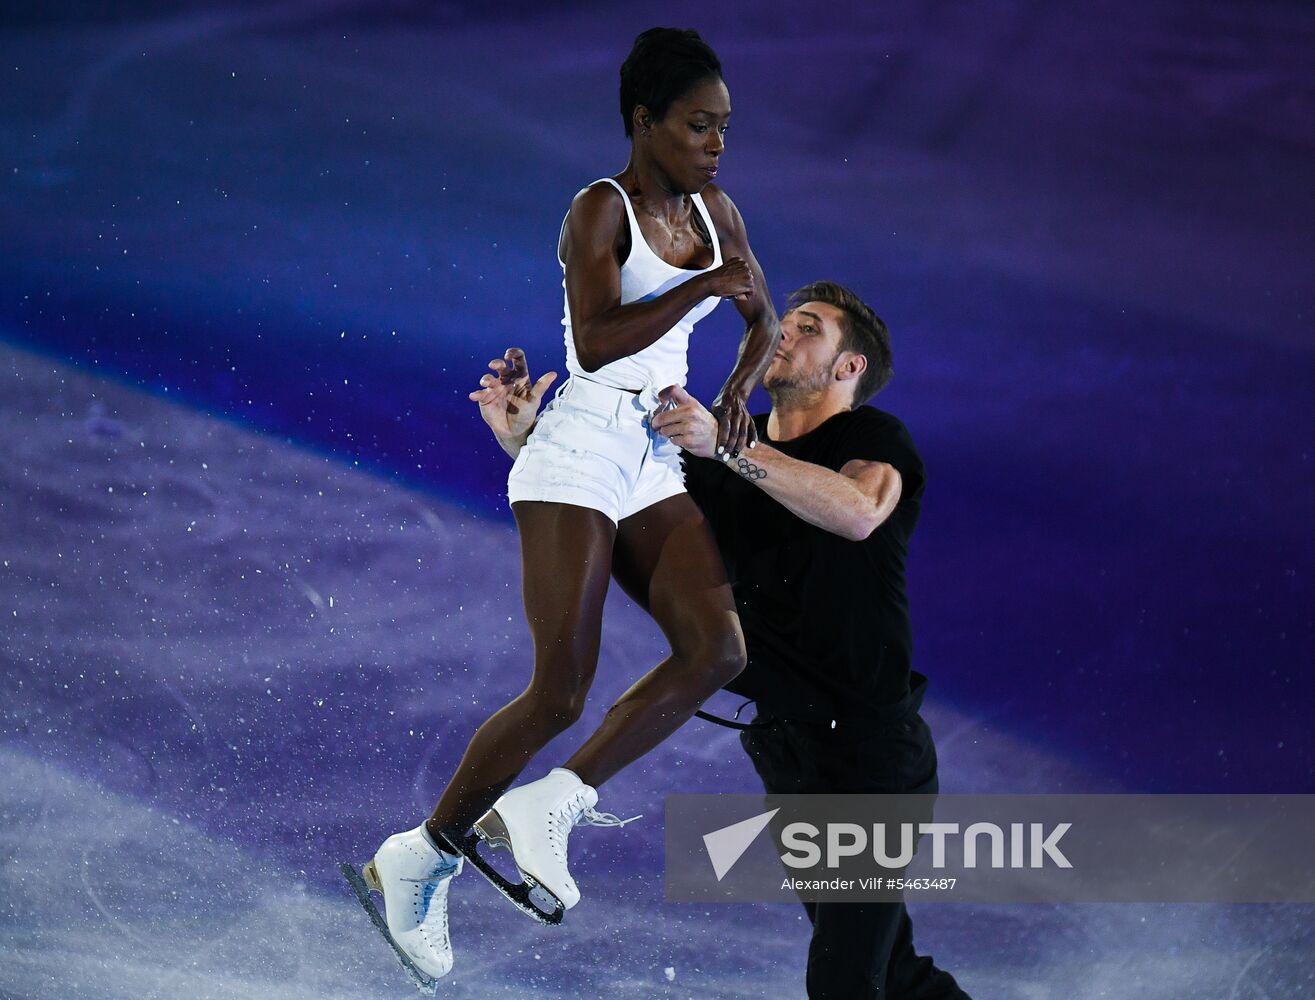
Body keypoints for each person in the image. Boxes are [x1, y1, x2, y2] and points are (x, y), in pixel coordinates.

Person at [344, 27, 779, 987]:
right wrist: (706, 285)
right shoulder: (598, 211)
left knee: (717, 649)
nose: (715, 145)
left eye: (724, 128)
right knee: (561, 688)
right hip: (578, 446)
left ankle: (555, 801)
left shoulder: (718, 211)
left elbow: (763, 313)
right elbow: (595, 344)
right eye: (698, 126)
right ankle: (423, 855)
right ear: (644, 122)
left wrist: (741, 389)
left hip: (653, 455)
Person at [474, 281, 971, 998]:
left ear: (848, 368)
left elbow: (859, 511)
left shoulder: (870, 439)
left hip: (868, 751)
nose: (781, 334)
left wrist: (728, 449)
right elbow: (616, 515)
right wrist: (525, 441)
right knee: (888, 968)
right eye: (782, 323)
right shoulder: (716, 448)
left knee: (845, 976)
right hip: (783, 747)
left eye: (807, 329)